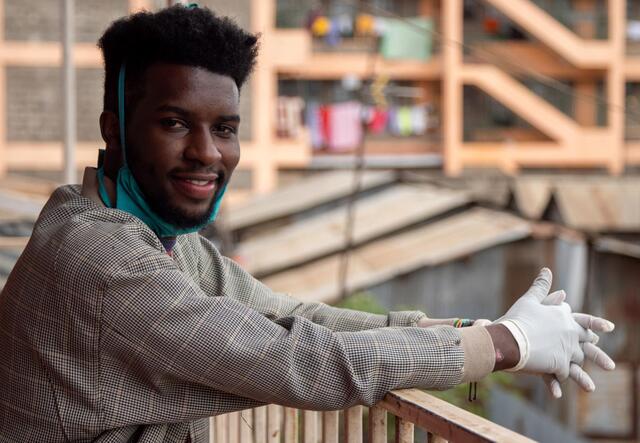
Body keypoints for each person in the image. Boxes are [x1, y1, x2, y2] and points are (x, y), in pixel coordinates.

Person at [0, 5, 615, 443]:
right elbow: (296, 358)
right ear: (114, 129)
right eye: (175, 123)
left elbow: (292, 317)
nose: (207, 154)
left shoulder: (164, 243)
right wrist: (510, 346)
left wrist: (474, 327)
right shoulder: (98, 259)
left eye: (225, 128)